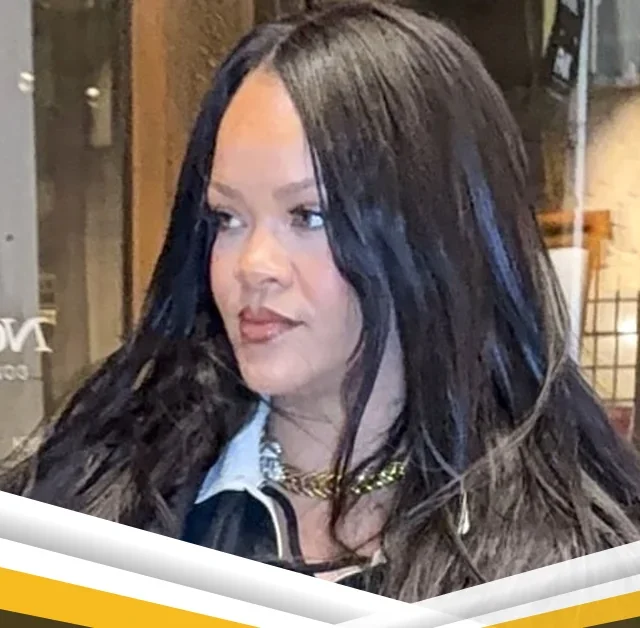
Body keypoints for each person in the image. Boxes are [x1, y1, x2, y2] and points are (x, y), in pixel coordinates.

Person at [3, 0, 640, 602]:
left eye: (308, 216)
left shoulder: (574, 570)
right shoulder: (102, 501)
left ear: (432, 233)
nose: (253, 266)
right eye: (227, 218)